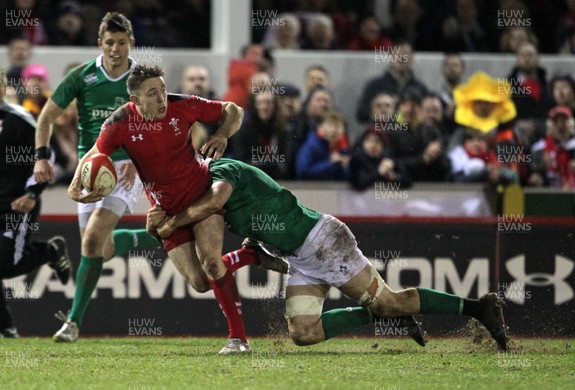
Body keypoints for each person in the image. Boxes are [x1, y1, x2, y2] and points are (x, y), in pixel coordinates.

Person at [148, 158, 508, 351]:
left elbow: (214, 200)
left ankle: (478, 307)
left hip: (323, 240)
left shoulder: (222, 172)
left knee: (390, 301)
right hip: (302, 259)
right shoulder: (207, 204)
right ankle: (375, 317)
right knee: (304, 334)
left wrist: (169, 223)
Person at [70, 64, 270, 355]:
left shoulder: (183, 105)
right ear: (136, 101)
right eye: (152, 94)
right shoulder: (120, 122)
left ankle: (238, 340)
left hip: (201, 195)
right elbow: (96, 153)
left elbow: (234, 110)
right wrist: (76, 185)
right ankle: (250, 253)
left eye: (163, 89)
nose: (162, 98)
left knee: (213, 264)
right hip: (165, 212)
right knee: (201, 282)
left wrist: (223, 134)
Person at [33, 12, 161, 343]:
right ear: (99, 43)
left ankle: (73, 322)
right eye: (109, 42)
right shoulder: (82, 77)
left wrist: (141, 158)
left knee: (91, 241)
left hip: (126, 169)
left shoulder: (143, 79)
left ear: (131, 43)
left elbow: (160, 122)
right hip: (89, 169)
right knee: (100, 251)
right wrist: (42, 157)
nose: (115, 49)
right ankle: (158, 236)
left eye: (122, 42)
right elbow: (46, 118)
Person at [0, 61, 71, 338]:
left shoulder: (17, 119)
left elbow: (47, 156)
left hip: (18, 206)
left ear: (4, 86)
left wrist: (32, 193)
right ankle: (3, 327)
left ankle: (50, 251)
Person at [356, 41, 428, 124]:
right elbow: (361, 114)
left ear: (412, 58)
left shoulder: (420, 88)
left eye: (405, 53)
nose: (401, 57)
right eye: (398, 53)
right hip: (382, 133)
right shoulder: (375, 85)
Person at [349, 126, 411, 191]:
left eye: (377, 141)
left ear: (382, 145)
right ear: (363, 143)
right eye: (369, 140)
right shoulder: (357, 160)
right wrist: (379, 172)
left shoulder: (388, 159)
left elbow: (408, 181)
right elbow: (359, 183)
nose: (373, 145)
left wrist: (393, 176)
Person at [295, 111, 350, 181]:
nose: (334, 130)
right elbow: (302, 172)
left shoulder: (344, 149)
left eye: (338, 126)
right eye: (330, 125)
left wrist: (346, 166)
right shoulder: (311, 145)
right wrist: (330, 163)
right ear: (320, 127)